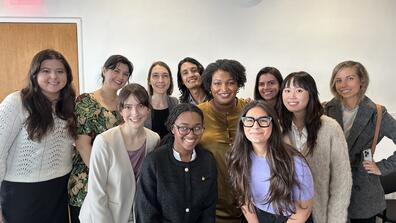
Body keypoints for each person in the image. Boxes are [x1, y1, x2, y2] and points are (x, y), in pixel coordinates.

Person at [0, 49, 77, 223]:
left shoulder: (69, 105)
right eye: (46, 71)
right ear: (34, 75)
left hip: (58, 190)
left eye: (60, 71)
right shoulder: (17, 102)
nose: (54, 76)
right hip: (22, 193)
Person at [323, 61, 396, 223]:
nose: (343, 84)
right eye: (338, 80)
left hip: (363, 193)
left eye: (350, 78)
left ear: (361, 81)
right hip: (331, 189)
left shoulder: (377, 112)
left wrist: (382, 167)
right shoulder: (326, 109)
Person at [79, 83, 160, 223]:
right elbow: (96, 192)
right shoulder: (104, 141)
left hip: (136, 215)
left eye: (140, 106)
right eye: (128, 107)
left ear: (148, 109)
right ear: (121, 110)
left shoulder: (154, 139)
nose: (134, 113)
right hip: (104, 215)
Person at [279, 71, 352, 223]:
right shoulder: (275, 127)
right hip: (284, 212)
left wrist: (336, 218)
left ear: (310, 94)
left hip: (318, 211)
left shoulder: (330, 127)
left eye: (299, 90)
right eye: (287, 90)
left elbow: (341, 180)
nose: (291, 96)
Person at [68, 55, 133, 222]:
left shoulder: (125, 105)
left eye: (125, 74)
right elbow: (82, 145)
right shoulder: (86, 101)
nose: (120, 77)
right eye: (116, 70)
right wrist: (104, 177)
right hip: (88, 178)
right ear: (104, 70)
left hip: (116, 179)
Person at [228, 100, 314, 223]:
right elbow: (245, 200)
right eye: (249, 121)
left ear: (273, 124)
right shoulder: (238, 157)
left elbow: (304, 210)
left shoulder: (295, 162)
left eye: (263, 120)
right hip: (258, 216)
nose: (255, 126)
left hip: (292, 218)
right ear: (242, 125)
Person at [135, 103, 217, 223]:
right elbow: (146, 214)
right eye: (183, 128)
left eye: (197, 128)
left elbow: (209, 211)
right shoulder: (154, 161)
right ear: (173, 128)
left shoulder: (208, 160)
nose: (191, 134)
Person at [198, 59, 248, 223]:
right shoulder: (197, 113)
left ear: (238, 84)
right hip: (210, 202)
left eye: (230, 83)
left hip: (250, 203)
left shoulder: (249, 110)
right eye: (217, 83)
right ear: (209, 86)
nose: (224, 89)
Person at [144, 61, 178, 138]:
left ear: (170, 80)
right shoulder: (142, 104)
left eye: (165, 76)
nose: (161, 80)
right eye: (155, 76)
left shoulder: (175, 103)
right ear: (149, 80)